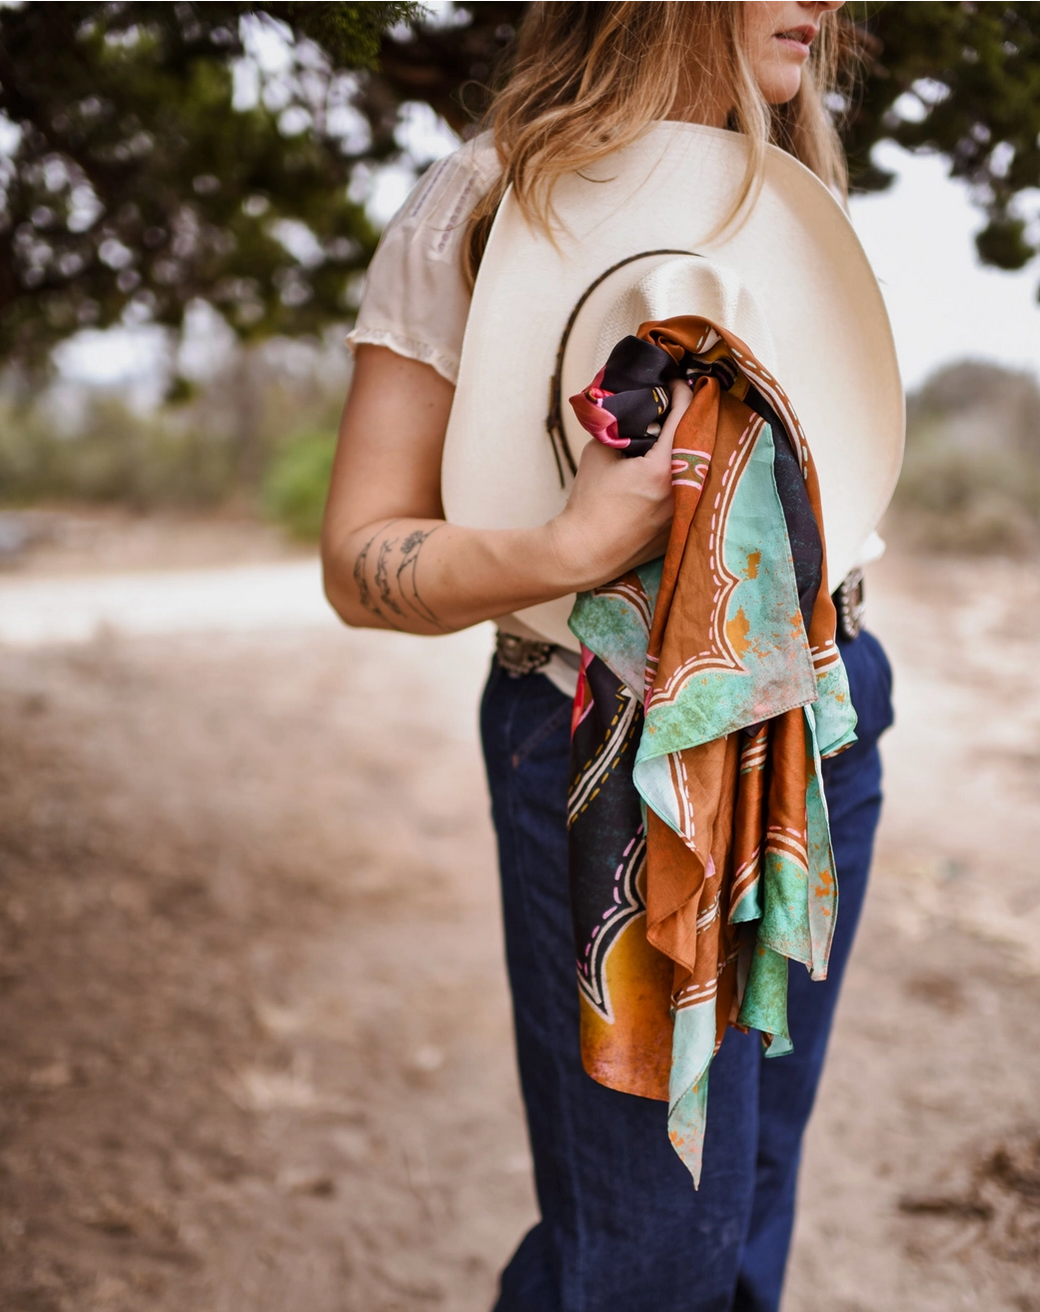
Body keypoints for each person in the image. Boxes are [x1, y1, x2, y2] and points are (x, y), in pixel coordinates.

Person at [322, 5, 895, 1310]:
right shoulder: (481, 203)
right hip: (606, 738)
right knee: (651, 1253)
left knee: (743, 1215)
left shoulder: (800, 187)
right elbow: (358, 558)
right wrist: (571, 545)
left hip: (826, 711)